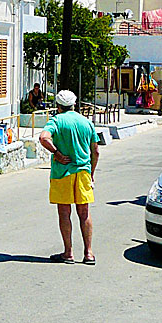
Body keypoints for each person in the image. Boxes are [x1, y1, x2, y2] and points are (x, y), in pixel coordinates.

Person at [39, 90, 100, 265]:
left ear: (58, 106)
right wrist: (91, 173)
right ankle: (88, 253)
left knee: (64, 213)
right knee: (84, 213)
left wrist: (56, 153)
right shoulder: (86, 122)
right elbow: (95, 151)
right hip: (82, 172)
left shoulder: (56, 121)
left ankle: (68, 252)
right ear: (74, 104)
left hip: (62, 173)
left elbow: (43, 138)